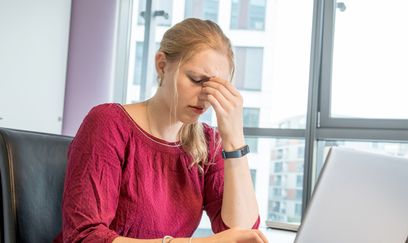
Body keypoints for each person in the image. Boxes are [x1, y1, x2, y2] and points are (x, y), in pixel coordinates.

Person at [54, 18, 268, 243]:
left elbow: (242, 233)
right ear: (162, 65)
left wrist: (234, 139)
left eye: (218, 88)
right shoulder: (108, 123)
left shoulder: (208, 143)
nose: (207, 98)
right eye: (196, 80)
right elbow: (83, 236)